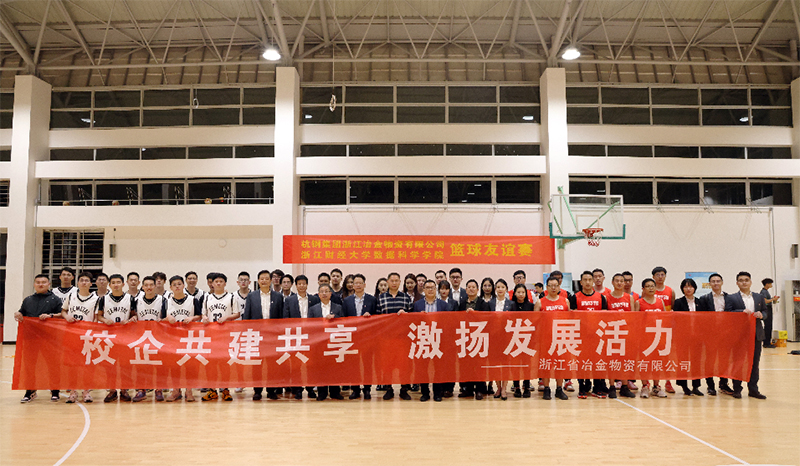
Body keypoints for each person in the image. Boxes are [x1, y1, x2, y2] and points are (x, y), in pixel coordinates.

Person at [16, 274, 65, 403]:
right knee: (30, 365)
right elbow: (22, 312)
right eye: (38, 282)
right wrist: (18, 314)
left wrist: (50, 316)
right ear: (34, 284)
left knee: (52, 365)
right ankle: (30, 391)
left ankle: (55, 391)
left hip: (50, 339)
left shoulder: (55, 299)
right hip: (31, 339)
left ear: (49, 284)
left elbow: (62, 315)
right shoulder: (28, 300)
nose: (40, 284)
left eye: (43, 282)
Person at [244, 270, 287, 400]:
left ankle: (271, 390)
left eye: (266, 279)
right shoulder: (252, 296)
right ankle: (257, 390)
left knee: (272, 364)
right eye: (261, 279)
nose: (264, 281)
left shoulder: (278, 296)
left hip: (272, 336)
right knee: (257, 364)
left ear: (270, 281)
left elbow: (282, 317)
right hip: (256, 335)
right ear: (258, 281)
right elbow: (247, 316)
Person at [724, 272, 767, 400]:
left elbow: (766, 312)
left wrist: (762, 315)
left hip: (756, 335)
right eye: (741, 280)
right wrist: (740, 312)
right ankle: (737, 389)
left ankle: (753, 389)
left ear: (751, 282)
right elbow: (728, 312)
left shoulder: (759, 297)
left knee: (754, 363)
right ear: (737, 283)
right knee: (738, 362)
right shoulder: (731, 298)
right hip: (739, 335)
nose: (744, 282)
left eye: (746, 280)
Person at [97, 274, 137, 402]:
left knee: (125, 364)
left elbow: (135, 316)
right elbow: (99, 316)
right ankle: (112, 390)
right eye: (113, 282)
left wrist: (129, 320)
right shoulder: (104, 299)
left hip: (125, 336)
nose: (116, 285)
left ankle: (124, 390)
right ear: (109, 285)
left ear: (123, 284)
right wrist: (105, 320)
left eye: (118, 282)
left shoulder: (130, 298)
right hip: (109, 336)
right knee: (110, 364)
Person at [163, 275, 203, 402]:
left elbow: (200, 315)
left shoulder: (192, 300)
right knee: (174, 365)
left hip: (189, 337)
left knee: (190, 364)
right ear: (170, 287)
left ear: (183, 285)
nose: (177, 287)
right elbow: (160, 319)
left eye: (179, 284)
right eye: (174, 285)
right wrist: (167, 318)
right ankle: (176, 390)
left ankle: (189, 391)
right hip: (172, 337)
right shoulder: (166, 301)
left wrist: (192, 318)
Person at [569, 271, 608, 399]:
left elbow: (604, 317)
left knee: (597, 361)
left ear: (593, 281)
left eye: (589, 279)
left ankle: (597, 387)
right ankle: (582, 387)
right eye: (584, 280)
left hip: (597, 336)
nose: (587, 282)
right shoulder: (575, 297)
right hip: (581, 336)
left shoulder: (601, 297)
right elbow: (574, 317)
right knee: (581, 362)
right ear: (581, 282)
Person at [61, 271, 99, 403]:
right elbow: (63, 311)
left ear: (91, 283)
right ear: (77, 282)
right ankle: (73, 391)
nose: (84, 282)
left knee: (88, 365)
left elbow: (96, 317)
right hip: (72, 335)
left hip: (87, 336)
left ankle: (86, 391)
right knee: (72, 365)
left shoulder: (96, 298)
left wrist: (93, 331)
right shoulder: (71, 296)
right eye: (81, 280)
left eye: (86, 280)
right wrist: (67, 317)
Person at [201, 273, 239, 402]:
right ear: (212, 284)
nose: (218, 283)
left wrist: (227, 317)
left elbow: (237, 314)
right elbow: (203, 314)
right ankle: (212, 390)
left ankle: (225, 389)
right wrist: (204, 318)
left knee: (224, 363)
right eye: (216, 281)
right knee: (210, 363)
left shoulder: (231, 297)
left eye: (221, 281)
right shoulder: (207, 297)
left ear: (225, 283)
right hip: (211, 335)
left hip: (225, 335)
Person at [377, 272, 414, 401]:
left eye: (396, 280)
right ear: (387, 282)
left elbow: (412, 317)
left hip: (403, 338)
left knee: (404, 365)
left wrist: (406, 315)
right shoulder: (381, 298)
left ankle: (404, 389)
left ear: (400, 282)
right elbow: (377, 317)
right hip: (386, 338)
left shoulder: (405, 298)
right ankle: (389, 389)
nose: (394, 283)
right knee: (387, 365)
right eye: (391, 281)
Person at [413, 280, 450, 402]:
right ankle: (425, 393)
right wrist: (419, 317)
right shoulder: (417, 305)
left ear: (436, 290)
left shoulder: (443, 305)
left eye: (432, 287)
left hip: (438, 339)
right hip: (423, 339)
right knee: (423, 367)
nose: (430, 290)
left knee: (438, 367)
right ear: (423, 290)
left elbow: (448, 323)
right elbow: (412, 322)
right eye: (427, 287)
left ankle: (437, 393)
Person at [131, 275, 166, 402]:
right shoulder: (137, 300)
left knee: (158, 364)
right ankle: (141, 390)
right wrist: (133, 318)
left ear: (155, 286)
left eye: (151, 285)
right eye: (146, 285)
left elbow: (166, 316)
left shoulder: (163, 300)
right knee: (141, 364)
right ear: (142, 287)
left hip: (158, 336)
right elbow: (133, 315)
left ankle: (159, 389)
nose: (149, 287)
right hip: (142, 336)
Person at [343, 273, 377, 400]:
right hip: (352, 337)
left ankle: (367, 389)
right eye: (355, 283)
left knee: (367, 364)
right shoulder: (347, 301)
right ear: (352, 285)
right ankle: (355, 389)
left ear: (364, 285)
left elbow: (378, 317)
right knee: (353, 364)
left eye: (360, 283)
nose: (357, 285)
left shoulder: (372, 299)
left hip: (367, 337)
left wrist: (371, 317)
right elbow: (344, 318)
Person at [309, 284, 344, 400]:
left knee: (335, 367)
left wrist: (334, 319)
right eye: (322, 291)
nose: (324, 293)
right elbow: (310, 326)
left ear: (331, 294)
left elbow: (344, 322)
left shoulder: (338, 307)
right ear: (318, 294)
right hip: (319, 343)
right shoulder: (313, 309)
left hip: (334, 342)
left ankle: (335, 392)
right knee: (320, 368)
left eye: (326, 291)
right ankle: (322, 392)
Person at [537, 277, 570, 400]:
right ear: (547, 287)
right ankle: (546, 388)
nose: (553, 288)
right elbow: (535, 322)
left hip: (561, 338)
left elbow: (570, 320)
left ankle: (559, 389)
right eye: (551, 285)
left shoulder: (565, 301)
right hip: (545, 338)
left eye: (556, 285)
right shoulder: (540, 302)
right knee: (546, 364)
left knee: (560, 364)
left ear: (559, 287)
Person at [635, 278, 667, 399]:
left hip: (658, 336)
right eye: (648, 286)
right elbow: (635, 321)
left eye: (652, 286)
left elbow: (665, 318)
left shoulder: (660, 302)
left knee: (657, 362)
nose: (651, 288)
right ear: (643, 289)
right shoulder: (639, 303)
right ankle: (645, 386)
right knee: (644, 362)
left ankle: (656, 386)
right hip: (644, 337)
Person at [605, 273, 636, 398]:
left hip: (625, 333)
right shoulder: (606, 297)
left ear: (624, 283)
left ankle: (624, 386)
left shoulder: (629, 298)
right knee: (612, 360)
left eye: (621, 281)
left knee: (624, 360)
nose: (619, 283)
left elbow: (633, 317)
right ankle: (612, 386)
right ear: (612, 282)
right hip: (612, 333)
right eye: (617, 281)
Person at [458, 279, 490, 400]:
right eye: (469, 287)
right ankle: (468, 388)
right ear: (466, 290)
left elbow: (487, 319)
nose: (471, 289)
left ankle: (480, 389)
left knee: (479, 364)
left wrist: (475, 314)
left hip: (479, 337)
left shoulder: (483, 303)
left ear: (477, 289)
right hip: (465, 337)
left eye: (473, 287)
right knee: (466, 364)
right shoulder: (461, 304)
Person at [673, 278, 703, 397]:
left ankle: (696, 386)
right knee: (683, 360)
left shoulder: (700, 302)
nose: (688, 289)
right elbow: (675, 319)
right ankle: (684, 385)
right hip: (683, 336)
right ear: (682, 289)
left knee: (696, 361)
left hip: (697, 336)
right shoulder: (678, 302)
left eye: (690, 286)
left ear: (695, 288)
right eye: (685, 287)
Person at [697, 272, 726, 396]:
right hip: (710, 334)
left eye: (718, 281)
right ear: (709, 284)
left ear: (722, 282)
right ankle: (710, 386)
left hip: (725, 334)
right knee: (709, 360)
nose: (716, 283)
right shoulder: (704, 299)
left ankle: (724, 384)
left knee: (724, 360)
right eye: (713, 281)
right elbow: (701, 318)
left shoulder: (728, 297)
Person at [651, 266, 677, 394]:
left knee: (667, 356)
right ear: (653, 277)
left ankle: (668, 382)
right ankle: (651, 383)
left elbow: (673, 309)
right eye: (658, 275)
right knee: (651, 355)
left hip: (666, 327)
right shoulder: (649, 290)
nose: (660, 277)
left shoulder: (670, 291)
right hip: (652, 328)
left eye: (662, 274)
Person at [488, 279, 512, 400]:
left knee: (506, 364)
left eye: (502, 287)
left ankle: (504, 389)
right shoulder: (490, 303)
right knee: (495, 363)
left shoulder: (511, 304)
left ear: (506, 289)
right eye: (498, 287)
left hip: (507, 338)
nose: (500, 289)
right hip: (493, 338)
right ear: (495, 289)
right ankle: (498, 387)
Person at [510, 284, 535, 398]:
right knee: (515, 364)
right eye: (518, 292)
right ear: (515, 293)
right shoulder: (511, 305)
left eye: (523, 292)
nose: (521, 294)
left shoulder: (531, 306)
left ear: (526, 294)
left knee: (526, 364)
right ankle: (516, 387)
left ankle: (527, 386)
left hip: (527, 339)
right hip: (514, 339)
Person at [760, 278, 778, 348]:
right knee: (768, 326)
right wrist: (773, 299)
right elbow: (765, 301)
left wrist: (773, 299)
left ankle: (767, 342)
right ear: (767, 284)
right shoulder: (764, 292)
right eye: (770, 284)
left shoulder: (766, 291)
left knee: (769, 326)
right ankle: (766, 343)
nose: (771, 285)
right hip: (767, 309)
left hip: (768, 309)